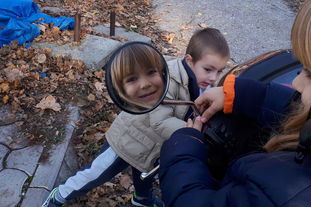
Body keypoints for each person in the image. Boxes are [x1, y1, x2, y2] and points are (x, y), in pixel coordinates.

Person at [159, 0, 311, 207]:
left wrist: (183, 152)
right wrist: (237, 94)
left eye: (310, 73)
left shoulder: (282, 194)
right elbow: (298, 107)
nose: (296, 83)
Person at [41, 27, 230, 207]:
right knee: (98, 172)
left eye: (219, 71)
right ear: (189, 61)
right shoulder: (166, 79)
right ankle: (61, 193)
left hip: (151, 147)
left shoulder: (203, 84)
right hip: (128, 140)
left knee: (144, 175)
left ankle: (142, 199)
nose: (214, 77)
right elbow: (159, 121)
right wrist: (188, 132)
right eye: (208, 69)